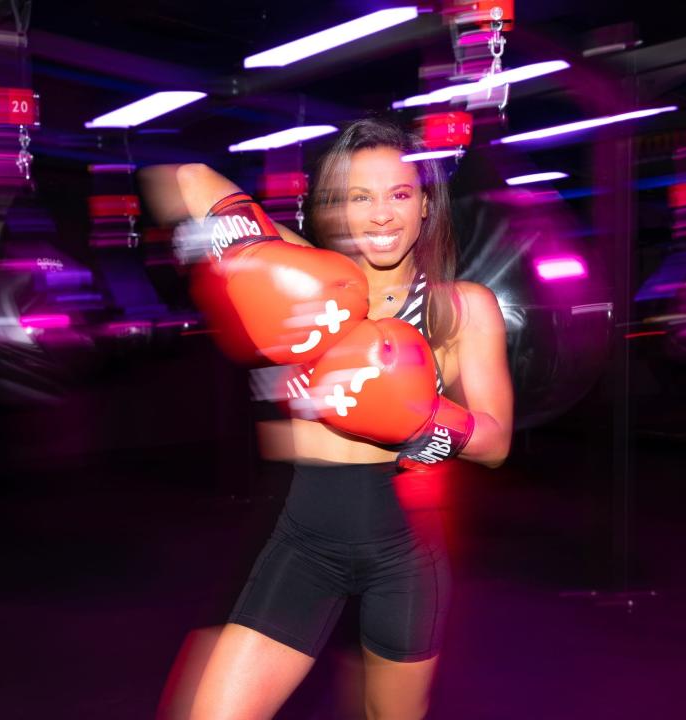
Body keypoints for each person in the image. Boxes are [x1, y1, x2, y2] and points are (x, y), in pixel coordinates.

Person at [159, 117, 512, 720]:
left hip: (403, 555)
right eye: (359, 196)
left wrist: (421, 416)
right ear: (338, 206)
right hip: (303, 544)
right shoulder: (306, 280)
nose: (381, 215)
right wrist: (246, 254)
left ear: (425, 206)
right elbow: (190, 179)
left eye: (400, 194)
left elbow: (497, 440)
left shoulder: (461, 308)